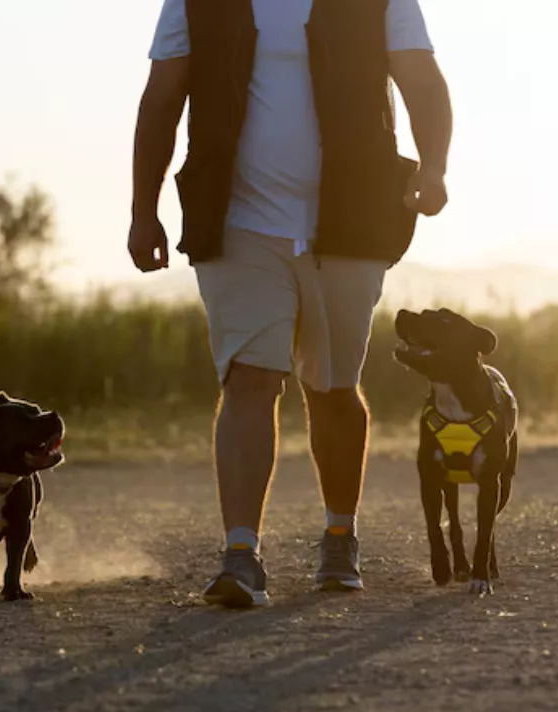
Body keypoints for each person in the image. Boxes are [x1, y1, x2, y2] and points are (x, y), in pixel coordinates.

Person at [128, 0, 452, 607]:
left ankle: (339, 536)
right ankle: (241, 555)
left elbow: (422, 80)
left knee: (332, 386)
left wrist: (434, 167)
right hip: (237, 221)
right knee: (249, 378)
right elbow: (161, 99)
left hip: (351, 221)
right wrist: (142, 210)